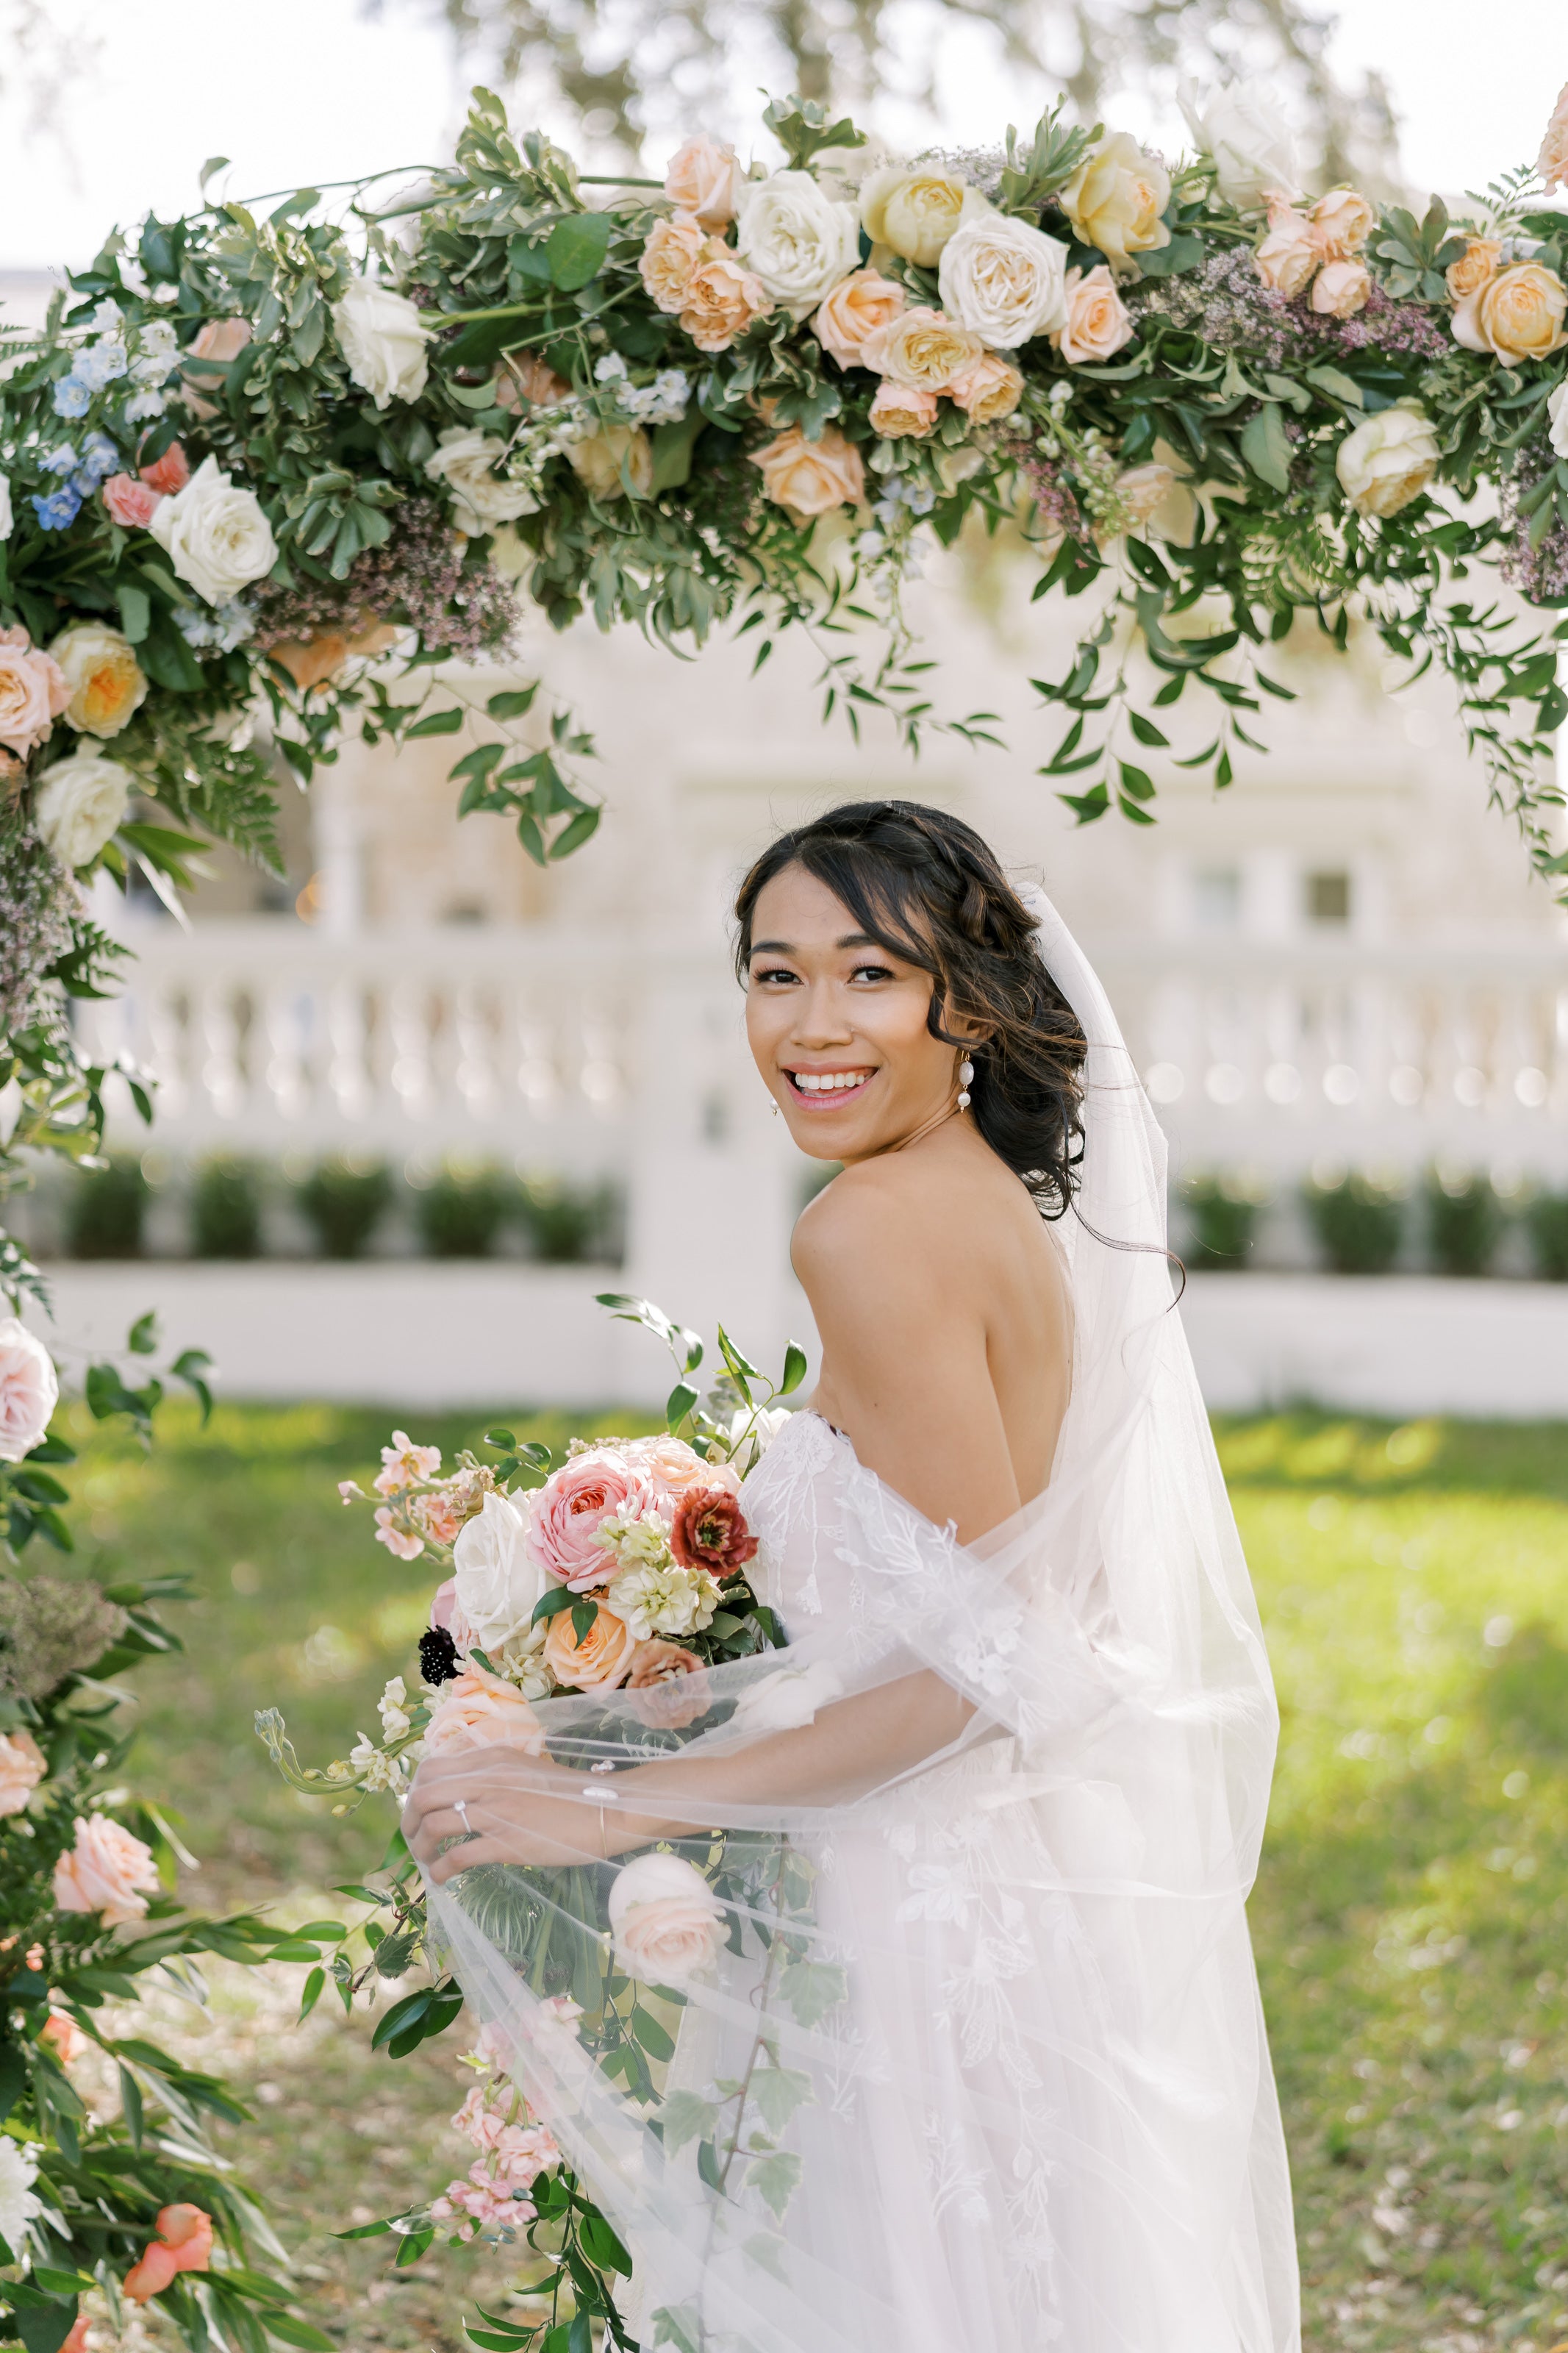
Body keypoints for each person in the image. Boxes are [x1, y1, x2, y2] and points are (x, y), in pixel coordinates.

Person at [404, 800, 1301, 2352]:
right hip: (1002, 1898)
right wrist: (603, 1689)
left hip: (908, 1921)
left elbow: (981, 1673)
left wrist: (611, 1801)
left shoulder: (870, 1231)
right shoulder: (985, 1206)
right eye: (773, 974)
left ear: (967, 1000)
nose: (812, 1025)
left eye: (867, 974)